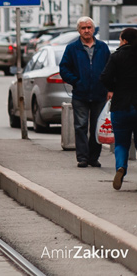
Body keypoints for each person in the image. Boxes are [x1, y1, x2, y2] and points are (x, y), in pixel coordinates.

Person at [59, 16, 112, 168]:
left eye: (89, 27)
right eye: (83, 28)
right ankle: (82, 158)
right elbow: (64, 68)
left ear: (93, 29)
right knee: (80, 126)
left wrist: (109, 88)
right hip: (80, 94)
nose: (87, 30)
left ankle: (93, 158)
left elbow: (110, 69)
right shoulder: (72, 48)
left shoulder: (102, 47)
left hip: (99, 93)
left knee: (97, 126)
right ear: (79, 30)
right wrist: (76, 81)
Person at [103, 27, 137, 189]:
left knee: (121, 144)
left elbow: (105, 77)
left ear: (124, 40)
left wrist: (113, 87)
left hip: (121, 106)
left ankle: (121, 168)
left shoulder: (117, 57)